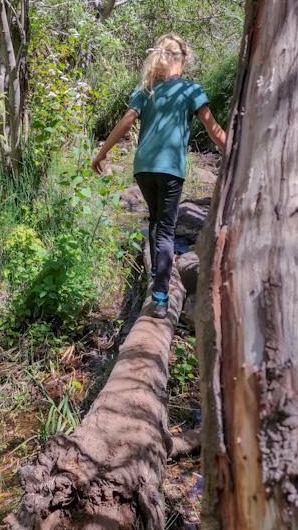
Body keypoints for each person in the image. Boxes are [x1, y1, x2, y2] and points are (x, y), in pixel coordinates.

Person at [92, 34, 226, 319]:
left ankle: (157, 278)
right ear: (183, 59)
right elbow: (213, 128)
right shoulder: (190, 90)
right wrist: (234, 149)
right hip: (170, 169)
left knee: (155, 222)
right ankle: (161, 297)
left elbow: (126, 120)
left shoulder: (147, 90)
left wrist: (102, 153)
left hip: (143, 168)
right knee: (166, 228)